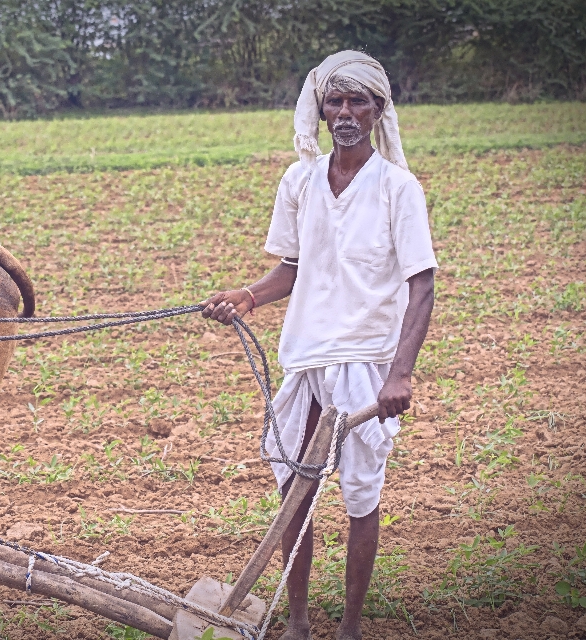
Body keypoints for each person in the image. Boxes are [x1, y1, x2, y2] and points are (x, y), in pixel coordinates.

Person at [202, 50, 437, 640]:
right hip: (305, 358)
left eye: (359, 101)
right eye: (335, 101)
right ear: (321, 109)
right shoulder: (300, 179)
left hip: (365, 361)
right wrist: (249, 296)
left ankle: (350, 629)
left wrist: (400, 373)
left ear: (379, 110)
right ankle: (300, 623)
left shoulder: (397, 189)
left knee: (360, 496)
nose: (346, 112)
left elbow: (422, 284)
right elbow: (292, 266)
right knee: (293, 491)